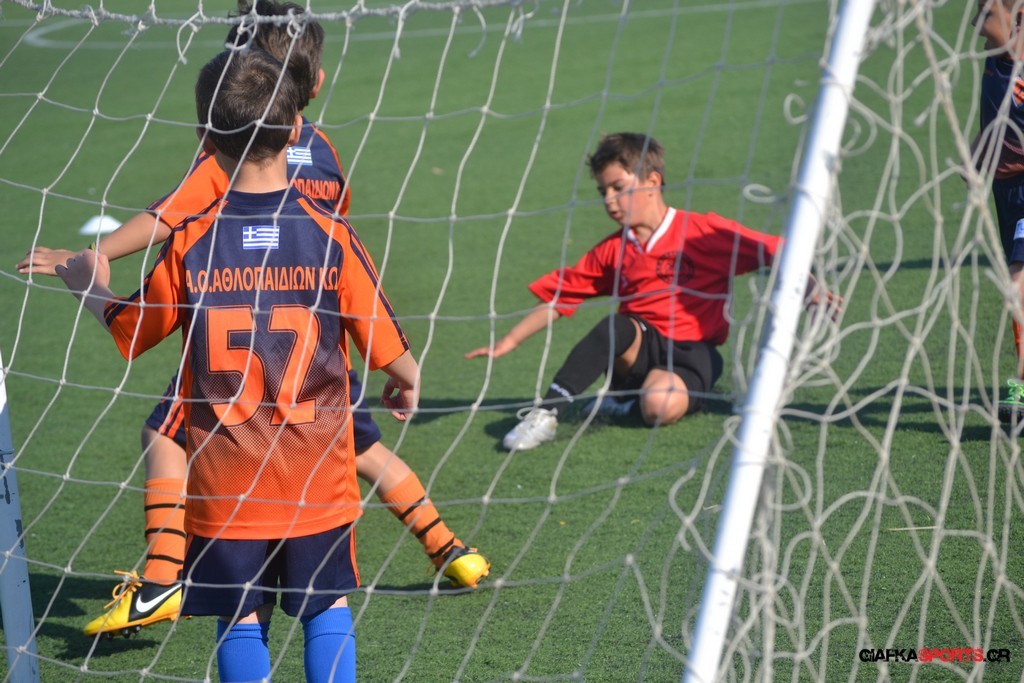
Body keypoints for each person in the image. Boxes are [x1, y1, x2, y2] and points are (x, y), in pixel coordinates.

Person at [19, 0, 487, 640]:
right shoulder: (323, 152)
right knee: (362, 449)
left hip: (238, 360)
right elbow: (338, 230)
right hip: (321, 353)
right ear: (309, 90)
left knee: (164, 435)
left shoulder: (227, 171)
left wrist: (93, 261)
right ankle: (447, 545)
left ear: (212, 128)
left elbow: (169, 217)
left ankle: (161, 578)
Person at [57, 47, 413, 683]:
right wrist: (402, 382)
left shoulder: (190, 241)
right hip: (316, 480)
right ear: (297, 129)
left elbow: (131, 332)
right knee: (326, 608)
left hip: (226, 484)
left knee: (240, 618)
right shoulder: (332, 233)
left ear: (203, 139)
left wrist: (88, 284)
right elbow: (396, 356)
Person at [466, 132, 836, 451]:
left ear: (652, 181)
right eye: (603, 191)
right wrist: (509, 341)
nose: (609, 200)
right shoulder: (612, 250)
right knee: (615, 326)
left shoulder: (703, 232)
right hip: (640, 347)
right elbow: (561, 297)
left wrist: (811, 288)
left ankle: (626, 403)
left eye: (618, 187)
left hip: (694, 352)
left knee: (658, 408)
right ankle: (546, 414)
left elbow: (777, 250)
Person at [970, 0, 1024, 422]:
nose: (977, 22)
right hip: (1005, 192)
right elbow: (994, 123)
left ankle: (1020, 385)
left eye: (987, 13)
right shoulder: (996, 61)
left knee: (1018, 282)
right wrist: (976, 154)